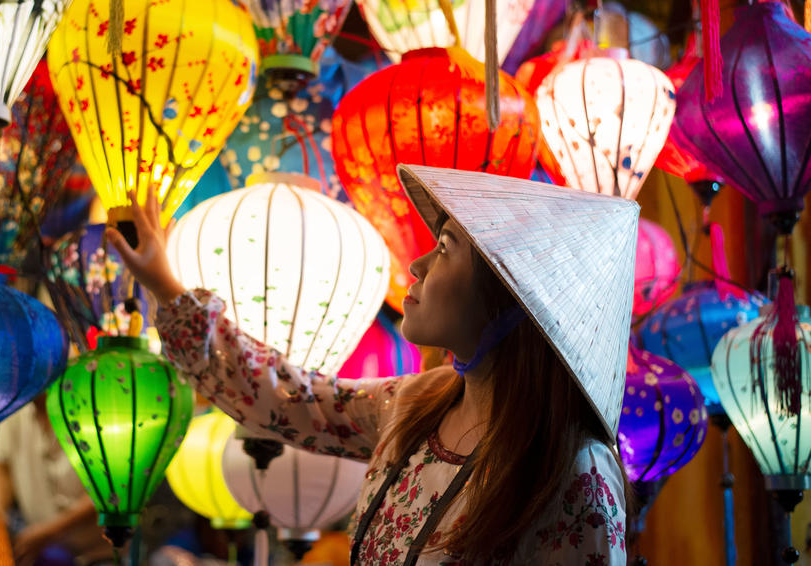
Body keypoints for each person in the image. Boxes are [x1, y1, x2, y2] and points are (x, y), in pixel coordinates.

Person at [106, 165, 639, 565]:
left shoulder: (573, 471)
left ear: (509, 299)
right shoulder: (415, 404)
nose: (418, 263)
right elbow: (288, 400)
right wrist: (164, 286)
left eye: (447, 247)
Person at [0, 395, 113, 566]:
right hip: (40, 551)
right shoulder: (14, 407)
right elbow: (2, 469)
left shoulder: (92, 403)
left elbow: (109, 489)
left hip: (98, 552)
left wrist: (50, 531)